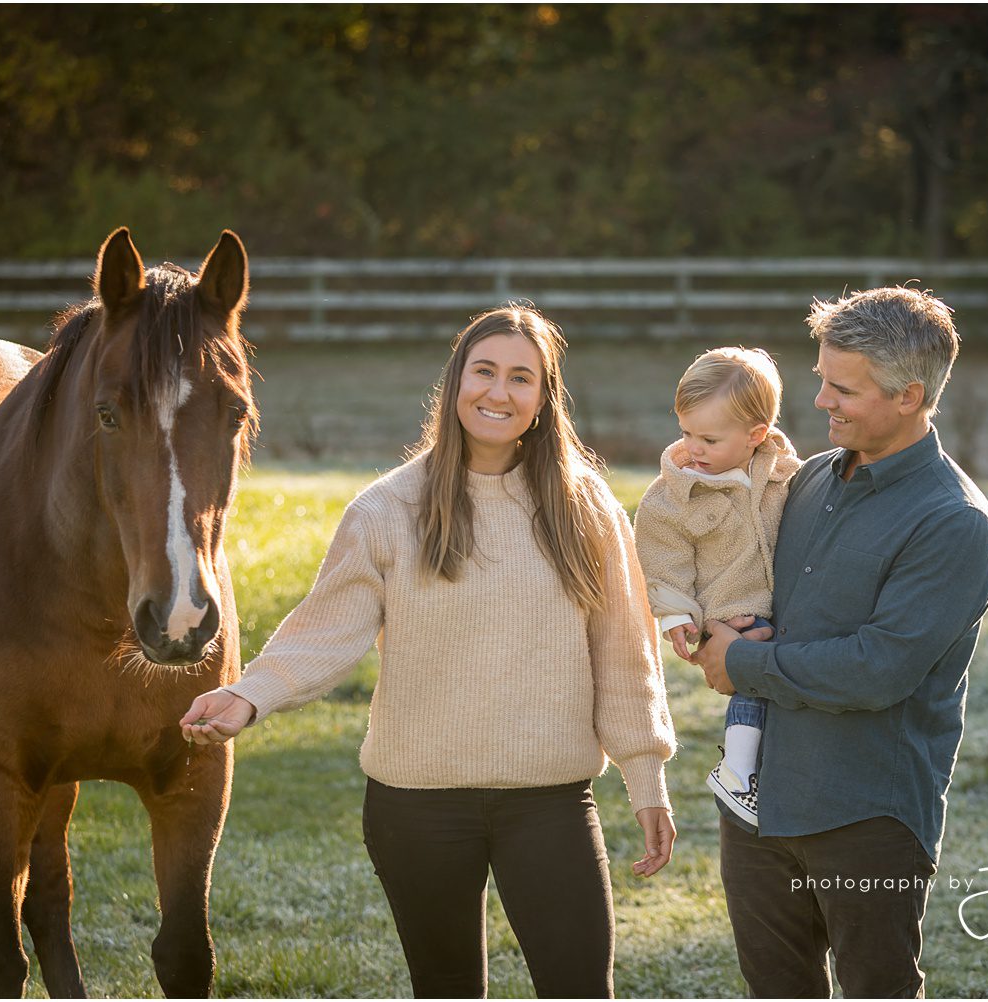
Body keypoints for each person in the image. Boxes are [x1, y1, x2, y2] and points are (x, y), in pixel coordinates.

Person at [179, 303, 677, 999]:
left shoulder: (583, 505)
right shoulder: (388, 509)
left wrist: (646, 776)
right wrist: (249, 693)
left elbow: (625, 653)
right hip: (416, 804)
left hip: (550, 802)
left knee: (579, 988)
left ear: (543, 397)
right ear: (455, 383)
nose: (498, 393)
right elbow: (328, 629)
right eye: (484, 372)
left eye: (521, 378)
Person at [693, 287, 988, 999]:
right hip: (759, 804)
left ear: (909, 395)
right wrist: (721, 624)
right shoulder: (805, 481)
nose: (822, 400)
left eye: (844, 389)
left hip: (869, 814)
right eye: (821, 380)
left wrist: (741, 663)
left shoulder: (952, 523)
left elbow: (877, 670)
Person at [632, 347, 801, 827]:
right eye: (686, 433)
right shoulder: (675, 494)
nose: (694, 448)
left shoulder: (783, 474)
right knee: (752, 676)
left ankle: (756, 768)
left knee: (776, 683)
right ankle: (737, 770)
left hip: (785, 605)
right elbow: (663, 559)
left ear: (756, 436)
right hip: (730, 608)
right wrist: (677, 615)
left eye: (708, 438)